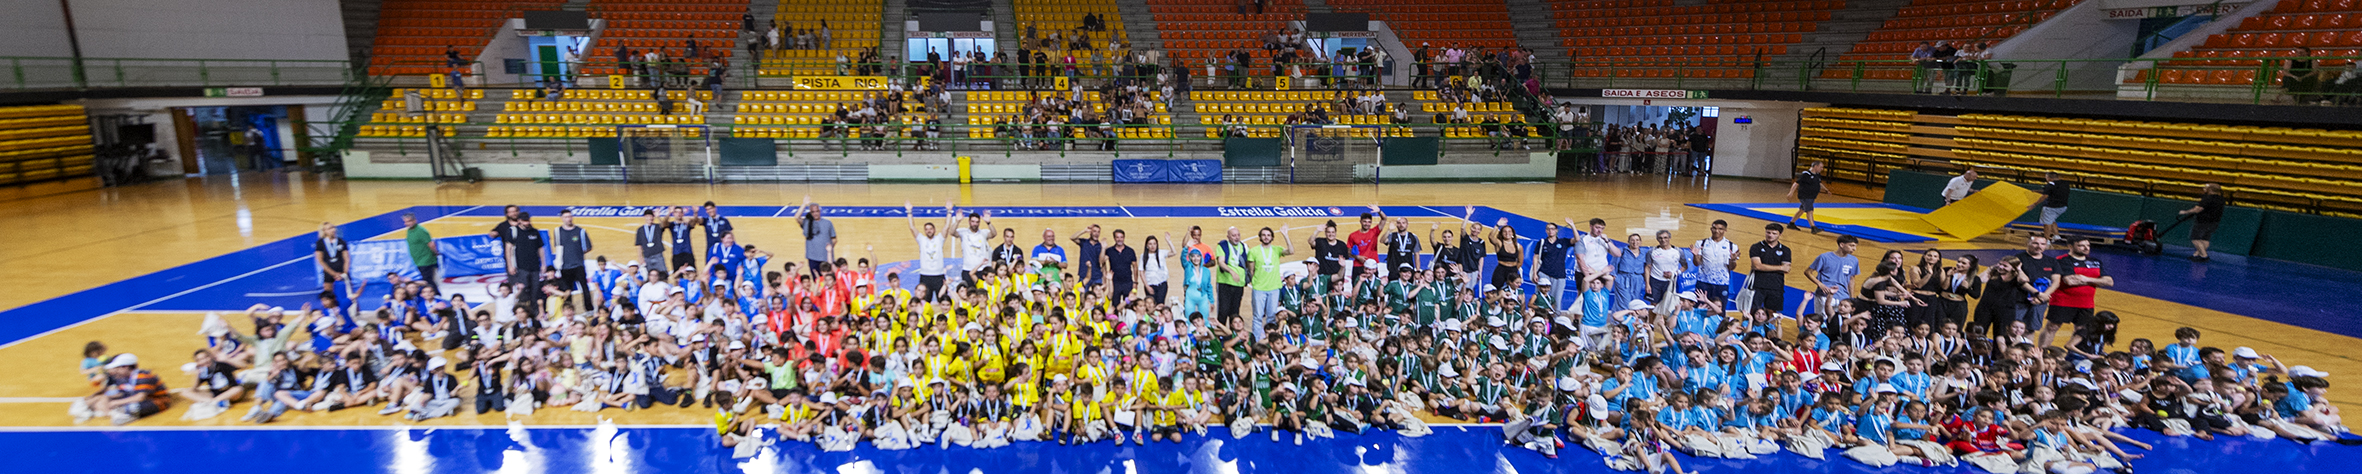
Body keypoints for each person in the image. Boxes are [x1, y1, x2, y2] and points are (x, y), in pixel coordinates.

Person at [2040, 238, 2111, 348]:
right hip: (2063, 300)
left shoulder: (2095, 262)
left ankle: (2074, 354)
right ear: (2070, 246)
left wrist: (2084, 278)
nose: (2086, 248)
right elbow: (2070, 281)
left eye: (2087, 245)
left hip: (2086, 303)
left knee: (2081, 330)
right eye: (2081, 245)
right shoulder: (2062, 260)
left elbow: (2109, 281)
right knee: (2052, 327)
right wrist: (2096, 280)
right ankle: (2042, 352)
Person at [72, 354, 166, 425]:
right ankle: (115, 412)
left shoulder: (142, 376)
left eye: (117, 368)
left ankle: (119, 413)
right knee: (102, 401)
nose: (115, 371)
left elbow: (140, 397)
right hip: (136, 398)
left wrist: (114, 403)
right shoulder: (123, 378)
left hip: (156, 401)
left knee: (133, 407)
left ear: (126, 367)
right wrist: (102, 399)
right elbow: (122, 393)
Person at [1806, 235, 1861, 317]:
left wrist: (1851, 298)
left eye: (1855, 246)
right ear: (1842, 245)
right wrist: (1820, 284)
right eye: (1851, 245)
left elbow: (1851, 279)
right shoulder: (1824, 257)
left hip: (1843, 296)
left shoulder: (1854, 260)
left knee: (1841, 323)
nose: (1854, 249)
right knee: (1823, 322)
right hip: (1824, 295)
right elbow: (1808, 272)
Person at [1747, 224, 1793, 316]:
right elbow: (1757, 266)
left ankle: (1770, 330)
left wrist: (1764, 267)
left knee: (1772, 313)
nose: (1770, 235)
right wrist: (1779, 267)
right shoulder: (1756, 247)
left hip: (1776, 287)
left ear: (1780, 234)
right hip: (1758, 285)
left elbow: (1786, 269)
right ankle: (1749, 329)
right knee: (1752, 311)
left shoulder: (1786, 250)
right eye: (1768, 232)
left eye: (1774, 233)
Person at [1691, 220, 1738, 305]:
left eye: (1720, 229)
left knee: (1720, 309)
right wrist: (1695, 256)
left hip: (1722, 283)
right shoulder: (1701, 243)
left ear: (1725, 230)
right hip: (1703, 281)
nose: (1717, 231)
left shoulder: (1732, 246)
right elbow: (1696, 263)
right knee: (1700, 307)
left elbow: (1731, 268)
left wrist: (1733, 260)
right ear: (1711, 229)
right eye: (1714, 228)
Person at [553, 209, 593, 311]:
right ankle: (568, 310)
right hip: (565, 266)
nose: (569, 219)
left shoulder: (580, 231)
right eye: (566, 217)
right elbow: (558, 247)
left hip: (578, 265)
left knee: (584, 288)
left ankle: (589, 309)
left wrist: (577, 254)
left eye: (570, 216)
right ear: (562, 218)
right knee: (567, 290)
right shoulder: (557, 231)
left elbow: (588, 247)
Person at [2177, 183, 2226, 261]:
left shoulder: (2208, 198)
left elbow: (2198, 209)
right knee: (2205, 239)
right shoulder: (2221, 199)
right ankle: (2196, 254)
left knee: (2195, 238)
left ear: (2210, 189)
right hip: (2214, 221)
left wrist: (2185, 212)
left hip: (2203, 221)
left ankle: (2204, 256)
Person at [799, 196, 837, 276]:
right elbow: (796, 217)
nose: (815, 213)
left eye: (817, 211)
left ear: (820, 211)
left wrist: (828, 249)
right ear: (810, 213)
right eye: (813, 212)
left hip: (826, 258)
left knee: (829, 279)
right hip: (812, 258)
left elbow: (834, 239)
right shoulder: (807, 223)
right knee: (817, 280)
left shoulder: (828, 223)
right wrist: (804, 204)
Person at [2029, 171, 2071, 241]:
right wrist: (2036, 191)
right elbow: (2051, 191)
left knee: (2047, 223)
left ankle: (2047, 239)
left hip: (2051, 207)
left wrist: (2034, 204)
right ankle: (2056, 235)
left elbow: (2045, 195)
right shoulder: (2065, 184)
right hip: (2063, 207)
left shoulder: (2050, 185)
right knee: (2051, 219)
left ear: (2049, 178)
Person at [314, 222, 351, 299]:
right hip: (329, 272)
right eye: (329, 228)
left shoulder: (341, 242)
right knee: (328, 296)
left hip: (342, 272)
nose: (333, 230)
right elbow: (320, 260)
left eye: (333, 227)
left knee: (349, 295)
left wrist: (344, 273)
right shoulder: (320, 243)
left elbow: (347, 259)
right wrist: (333, 274)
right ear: (324, 231)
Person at [403, 213, 439, 292]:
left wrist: (435, 253)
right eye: (405, 222)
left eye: (409, 221)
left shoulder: (421, 231)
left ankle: (436, 295)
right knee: (427, 279)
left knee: (428, 280)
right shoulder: (409, 231)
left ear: (415, 220)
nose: (407, 223)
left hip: (426, 260)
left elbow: (430, 243)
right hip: (418, 260)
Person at [1787, 161, 1825, 233]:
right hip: (1805, 195)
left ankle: (1791, 223)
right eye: (1821, 167)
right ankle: (1813, 227)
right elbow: (1796, 183)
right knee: (1809, 210)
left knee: (1802, 210)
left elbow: (1819, 183)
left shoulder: (1817, 175)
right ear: (1815, 166)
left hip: (1811, 196)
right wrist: (1791, 192)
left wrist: (1826, 190)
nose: (1822, 169)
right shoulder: (1805, 175)